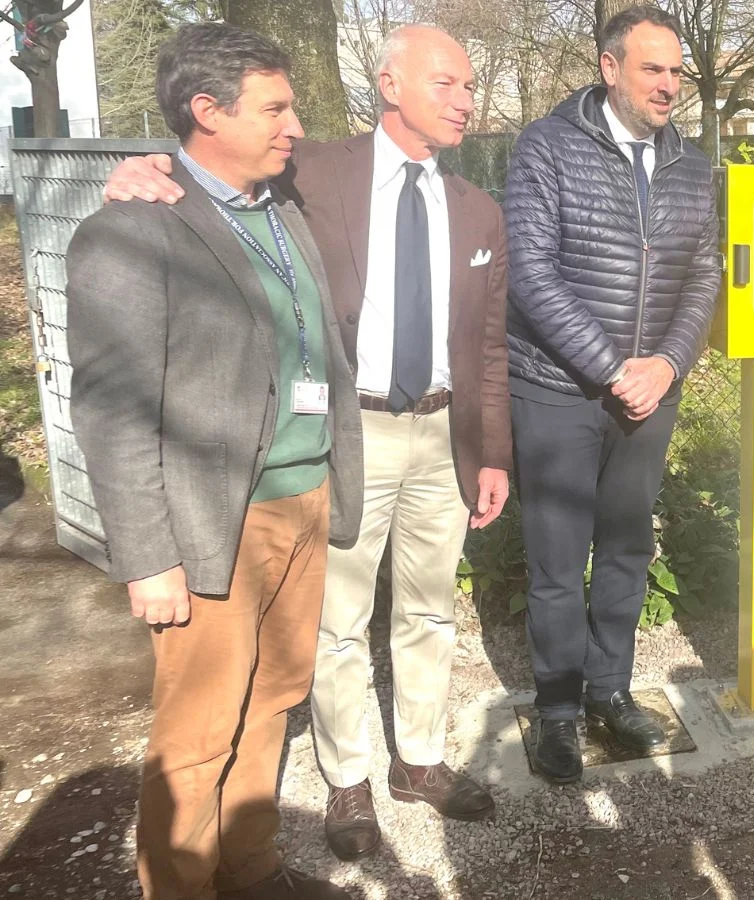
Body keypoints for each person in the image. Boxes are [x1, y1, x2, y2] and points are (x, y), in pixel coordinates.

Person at [103, 23, 513, 860]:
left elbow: (492, 345)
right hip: (349, 431)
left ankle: (421, 761)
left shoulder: (478, 207)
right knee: (338, 620)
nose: (467, 100)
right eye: (449, 83)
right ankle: (347, 777)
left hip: (442, 434)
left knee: (431, 608)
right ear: (389, 83)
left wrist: (494, 449)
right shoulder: (312, 171)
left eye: (471, 87)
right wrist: (142, 167)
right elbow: (209, 160)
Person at [68, 23, 358, 899]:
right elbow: (112, 411)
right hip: (209, 526)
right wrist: (148, 556)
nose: (296, 125)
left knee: (272, 704)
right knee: (195, 737)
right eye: (275, 107)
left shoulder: (281, 210)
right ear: (206, 112)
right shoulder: (132, 232)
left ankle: (252, 870)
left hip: (302, 503)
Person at [502, 5, 720, 784]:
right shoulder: (547, 147)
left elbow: (704, 276)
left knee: (627, 547)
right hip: (558, 389)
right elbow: (529, 272)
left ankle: (610, 691)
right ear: (609, 67)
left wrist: (666, 364)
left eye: (676, 72)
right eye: (651, 69)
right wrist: (610, 367)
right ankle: (557, 710)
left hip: (650, 394)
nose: (667, 86)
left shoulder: (694, 165)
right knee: (559, 560)